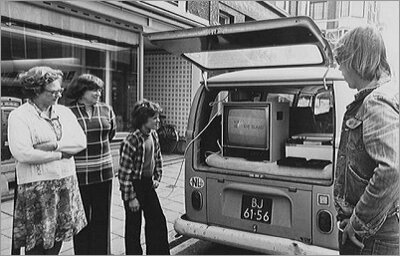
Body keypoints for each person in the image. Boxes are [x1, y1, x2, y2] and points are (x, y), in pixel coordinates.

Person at [7, 66, 87, 255]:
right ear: (36, 91)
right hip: (36, 190)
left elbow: (80, 142)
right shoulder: (19, 116)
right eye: (52, 91)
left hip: (65, 185)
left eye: (60, 90)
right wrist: (60, 154)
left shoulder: (64, 113)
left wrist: (53, 145)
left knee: (56, 240)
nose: (58, 95)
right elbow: (23, 153)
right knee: (36, 246)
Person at [333, 26, 399, 255]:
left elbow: (392, 169)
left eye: (341, 60)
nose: (339, 68)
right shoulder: (383, 95)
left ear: (356, 59)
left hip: (372, 238)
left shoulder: (376, 102)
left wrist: (357, 224)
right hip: (376, 233)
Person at [65, 74, 116, 255]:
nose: (98, 93)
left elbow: (111, 134)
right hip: (80, 175)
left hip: (104, 173)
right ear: (81, 91)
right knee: (81, 220)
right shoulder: (68, 112)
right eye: (94, 89)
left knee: (102, 219)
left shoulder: (106, 109)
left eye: (100, 90)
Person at [118, 99, 170, 255]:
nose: (158, 121)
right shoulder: (131, 140)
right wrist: (131, 197)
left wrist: (157, 177)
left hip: (147, 184)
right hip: (134, 185)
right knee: (133, 227)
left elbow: (157, 157)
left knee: (157, 221)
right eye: (154, 118)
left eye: (158, 117)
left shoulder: (153, 135)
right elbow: (124, 173)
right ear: (143, 119)